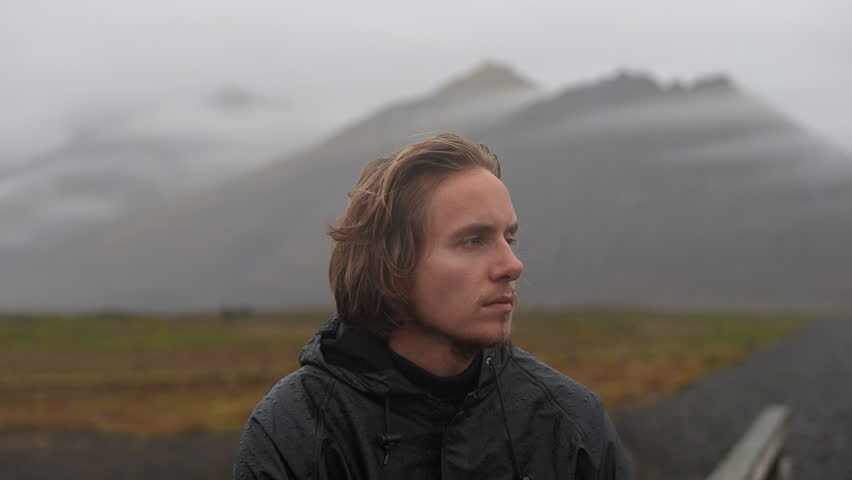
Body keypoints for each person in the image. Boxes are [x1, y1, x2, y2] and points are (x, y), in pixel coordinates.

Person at [233, 134, 633, 479]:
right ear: (391, 265)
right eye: (473, 241)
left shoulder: (570, 421)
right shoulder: (294, 431)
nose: (513, 265)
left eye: (508, 238)